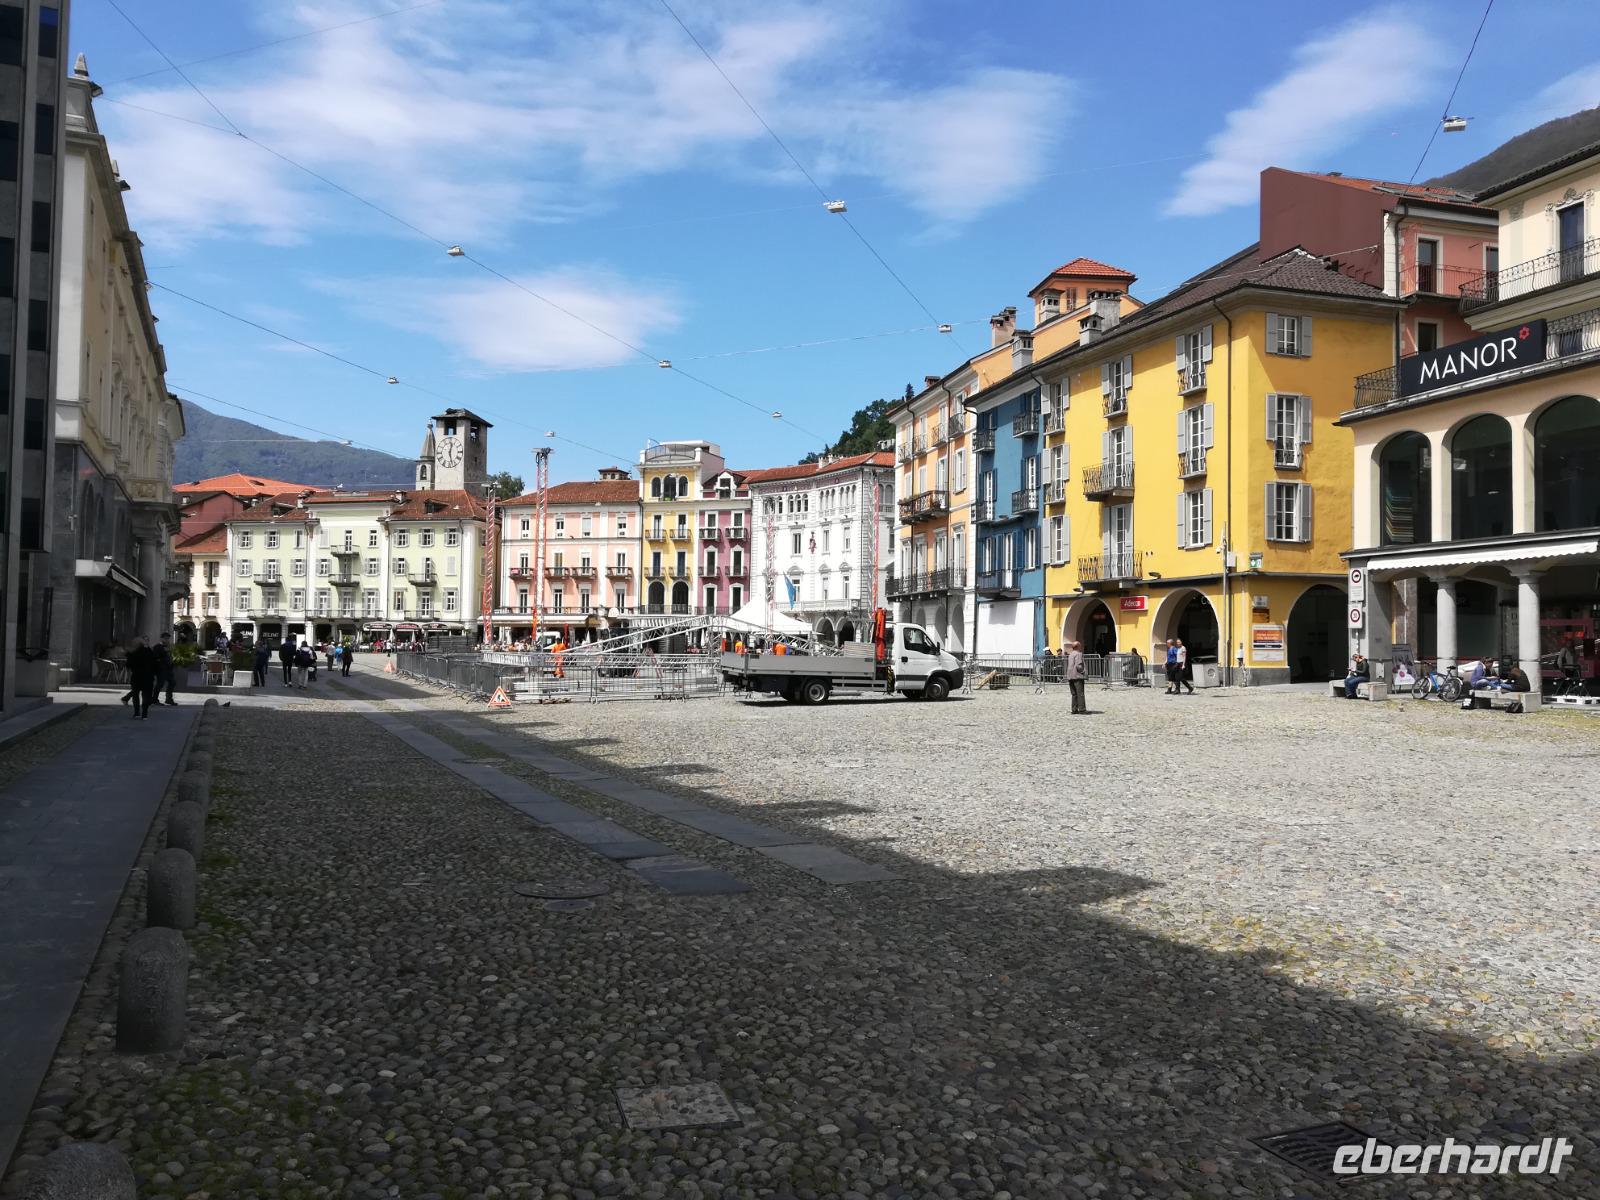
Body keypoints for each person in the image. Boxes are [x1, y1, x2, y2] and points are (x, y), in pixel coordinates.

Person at [126, 637, 157, 719]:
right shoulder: (149, 651)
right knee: (146, 695)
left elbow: (129, 665)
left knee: (135, 694)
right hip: (148, 677)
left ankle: (136, 713)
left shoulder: (133, 653)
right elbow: (155, 664)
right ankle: (144, 714)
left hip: (136, 677)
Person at [1065, 640, 1088, 715]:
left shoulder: (1071, 654)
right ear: (1078, 646)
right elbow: (1079, 665)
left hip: (1070, 675)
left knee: (1074, 693)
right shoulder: (1078, 654)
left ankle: (1074, 709)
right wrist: (1083, 672)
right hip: (1077, 676)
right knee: (1080, 693)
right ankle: (1082, 709)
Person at [154, 633, 178, 706]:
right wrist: (160, 664)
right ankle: (154, 700)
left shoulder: (168, 647)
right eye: (165, 638)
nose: (167, 640)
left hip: (169, 668)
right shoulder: (158, 646)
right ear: (161, 638)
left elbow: (170, 656)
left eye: (168, 638)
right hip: (161, 669)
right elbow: (156, 657)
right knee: (160, 684)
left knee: (172, 682)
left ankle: (169, 699)